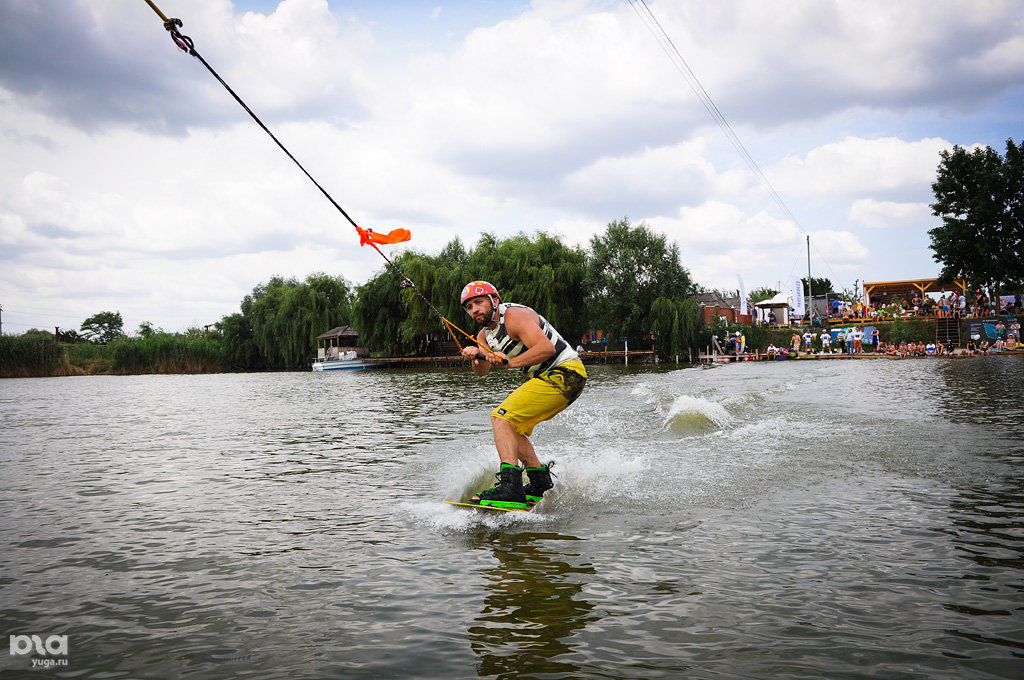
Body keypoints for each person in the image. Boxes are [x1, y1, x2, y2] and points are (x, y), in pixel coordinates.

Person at [459, 281, 587, 509]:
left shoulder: (514, 317)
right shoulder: (483, 336)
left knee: (500, 418)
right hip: (552, 379)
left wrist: (509, 362)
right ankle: (539, 483)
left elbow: (546, 348)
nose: (474, 310)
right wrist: (476, 356)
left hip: (566, 373)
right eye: (469, 307)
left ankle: (510, 488)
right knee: (511, 429)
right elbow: (482, 372)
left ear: (494, 300)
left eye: (479, 302)